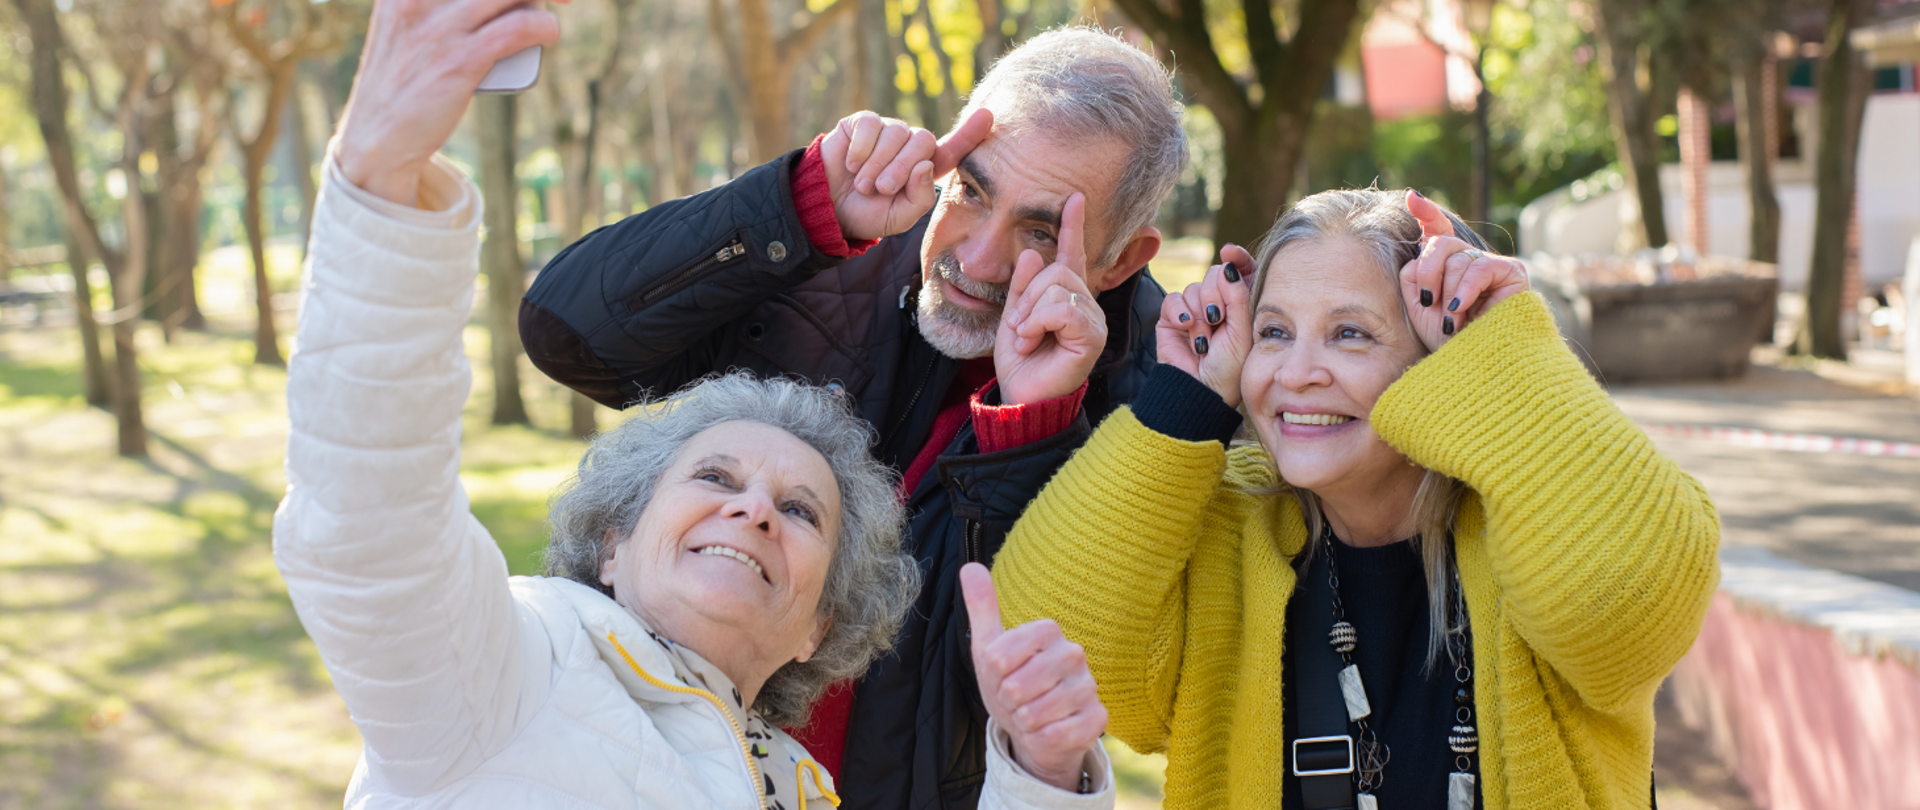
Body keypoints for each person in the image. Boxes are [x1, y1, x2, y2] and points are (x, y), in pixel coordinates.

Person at [277, 1, 1115, 807]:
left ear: (818, 629)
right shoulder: (505, 675)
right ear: (612, 542)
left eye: (800, 511)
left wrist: (1044, 777)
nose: (753, 509)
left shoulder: (792, 788)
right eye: (714, 477)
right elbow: (364, 524)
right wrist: (381, 178)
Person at [518, 25, 1188, 810]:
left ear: (1121, 260)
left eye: (1041, 231)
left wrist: (1029, 424)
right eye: (970, 191)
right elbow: (567, 334)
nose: (975, 260)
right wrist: (798, 205)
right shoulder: (830, 248)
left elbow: (1029, 671)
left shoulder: (1157, 401)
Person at [987, 188, 1723, 809]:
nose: (1298, 371)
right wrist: (1184, 400)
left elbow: (1627, 603)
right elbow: (1046, 629)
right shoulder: (1227, 528)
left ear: (1444, 355)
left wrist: (1506, 349)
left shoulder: (1538, 522)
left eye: (1349, 334)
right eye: (1274, 332)